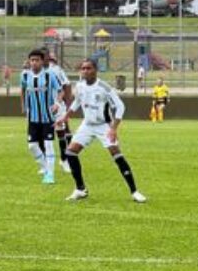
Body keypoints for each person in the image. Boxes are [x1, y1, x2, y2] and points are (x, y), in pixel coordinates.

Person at [55, 59, 147, 203]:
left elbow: (120, 107)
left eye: (88, 68)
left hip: (104, 126)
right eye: (83, 68)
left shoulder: (104, 87)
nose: (85, 71)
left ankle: (134, 192)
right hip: (87, 125)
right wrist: (65, 117)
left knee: (117, 155)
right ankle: (80, 189)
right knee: (70, 152)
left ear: (95, 70)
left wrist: (113, 129)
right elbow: (77, 102)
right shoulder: (79, 86)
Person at [20, 49, 62, 184]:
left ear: (42, 61)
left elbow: (60, 91)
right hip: (32, 118)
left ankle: (50, 175)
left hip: (47, 117)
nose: (34, 63)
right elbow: (22, 90)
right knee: (32, 146)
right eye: (32, 60)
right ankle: (45, 167)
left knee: (49, 145)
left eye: (37, 60)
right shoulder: (25, 76)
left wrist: (57, 103)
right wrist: (23, 106)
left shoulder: (50, 75)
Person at [45, 51, 73, 174]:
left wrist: (65, 104)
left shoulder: (55, 70)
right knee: (61, 131)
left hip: (57, 105)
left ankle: (64, 159)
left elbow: (66, 86)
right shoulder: (34, 71)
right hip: (45, 106)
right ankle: (59, 159)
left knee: (62, 131)